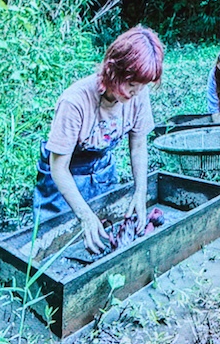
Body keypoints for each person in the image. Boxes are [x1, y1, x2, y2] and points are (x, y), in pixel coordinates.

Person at [33, 25, 163, 255]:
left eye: (142, 85)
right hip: (63, 175)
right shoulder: (74, 102)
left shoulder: (139, 95)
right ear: (114, 71)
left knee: (101, 241)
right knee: (54, 246)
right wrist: (85, 215)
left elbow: (138, 145)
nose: (136, 92)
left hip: (101, 169)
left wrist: (140, 191)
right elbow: (59, 167)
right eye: (131, 85)